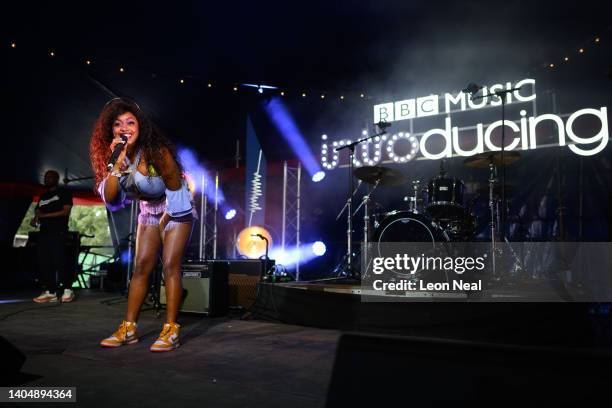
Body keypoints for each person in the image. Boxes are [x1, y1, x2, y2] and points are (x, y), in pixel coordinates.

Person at [89, 98, 194, 352]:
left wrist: (166, 221)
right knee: (141, 267)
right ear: (111, 131)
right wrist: (116, 164)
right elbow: (112, 199)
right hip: (148, 211)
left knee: (170, 264)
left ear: (140, 126)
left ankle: (171, 329)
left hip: (175, 206)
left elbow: (175, 187)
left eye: (130, 122)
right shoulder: (114, 157)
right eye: (117, 124)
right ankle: (129, 327)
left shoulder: (157, 151)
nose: (124, 128)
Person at [31, 170, 75, 303]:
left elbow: (65, 211)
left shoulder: (64, 193)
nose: (46, 179)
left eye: (49, 177)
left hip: (59, 232)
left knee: (60, 260)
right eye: (45, 177)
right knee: (44, 262)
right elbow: (38, 212)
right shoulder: (43, 196)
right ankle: (50, 291)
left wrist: (44, 216)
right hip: (44, 233)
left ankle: (68, 289)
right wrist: (35, 219)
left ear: (56, 179)